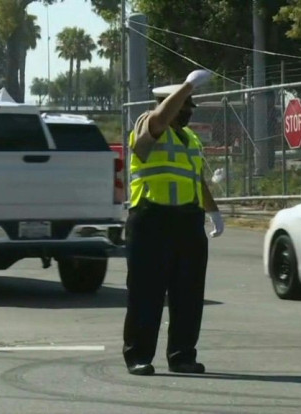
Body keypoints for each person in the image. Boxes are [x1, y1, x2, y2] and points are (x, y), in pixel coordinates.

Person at [123, 69, 224, 376]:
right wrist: (187, 84)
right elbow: (159, 120)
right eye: (185, 105)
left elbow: (196, 179)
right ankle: (139, 355)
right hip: (151, 219)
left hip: (187, 222)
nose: (190, 111)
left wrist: (213, 211)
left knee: (189, 295)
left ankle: (182, 356)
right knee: (147, 294)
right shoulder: (147, 123)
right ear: (171, 103)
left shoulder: (189, 137)